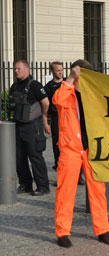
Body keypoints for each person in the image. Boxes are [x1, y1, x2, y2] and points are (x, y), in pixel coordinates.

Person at [52, 59, 109, 248]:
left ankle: (102, 230)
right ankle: (62, 232)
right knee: (66, 191)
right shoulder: (67, 91)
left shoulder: (93, 94)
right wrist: (71, 78)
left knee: (98, 191)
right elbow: (57, 100)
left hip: (91, 148)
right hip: (70, 148)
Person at [9, 60, 51, 196]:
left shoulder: (34, 85)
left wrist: (42, 117)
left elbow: (45, 102)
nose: (16, 71)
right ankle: (25, 185)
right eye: (15, 69)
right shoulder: (14, 87)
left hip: (32, 126)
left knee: (35, 156)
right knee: (19, 158)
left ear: (27, 69)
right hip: (18, 126)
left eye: (19, 69)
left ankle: (43, 186)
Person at [45, 62, 86, 186]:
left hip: (76, 127)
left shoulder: (75, 87)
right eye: (57, 70)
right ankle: (62, 174)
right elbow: (52, 102)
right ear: (52, 71)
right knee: (58, 150)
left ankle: (78, 175)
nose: (60, 72)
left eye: (61, 70)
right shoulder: (52, 86)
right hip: (59, 120)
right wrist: (46, 121)